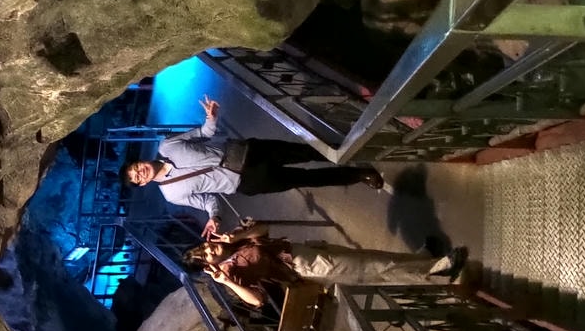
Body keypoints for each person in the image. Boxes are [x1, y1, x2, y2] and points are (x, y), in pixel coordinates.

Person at [122, 97, 384, 239]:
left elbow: (203, 133)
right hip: (246, 182)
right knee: (306, 178)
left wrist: (211, 118)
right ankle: (358, 174)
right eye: (137, 177)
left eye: (136, 167)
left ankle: (352, 148)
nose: (141, 172)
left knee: (304, 151)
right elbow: (207, 201)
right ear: (142, 184)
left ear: (140, 161)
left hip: (247, 150)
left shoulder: (167, 146)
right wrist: (215, 218)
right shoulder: (172, 194)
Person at [184, 221, 467, 308]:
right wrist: (226, 281)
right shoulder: (232, 270)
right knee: (371, 269)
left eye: (205, 246)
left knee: (369, 257)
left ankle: (421, 259)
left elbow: (265, 228)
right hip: (307, 267)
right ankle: (436, 271)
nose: (209, 248)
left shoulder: (233, 243)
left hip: (307, 251)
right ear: (210, 267)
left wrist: (241, 234)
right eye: (206, 255)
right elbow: (257, 300)